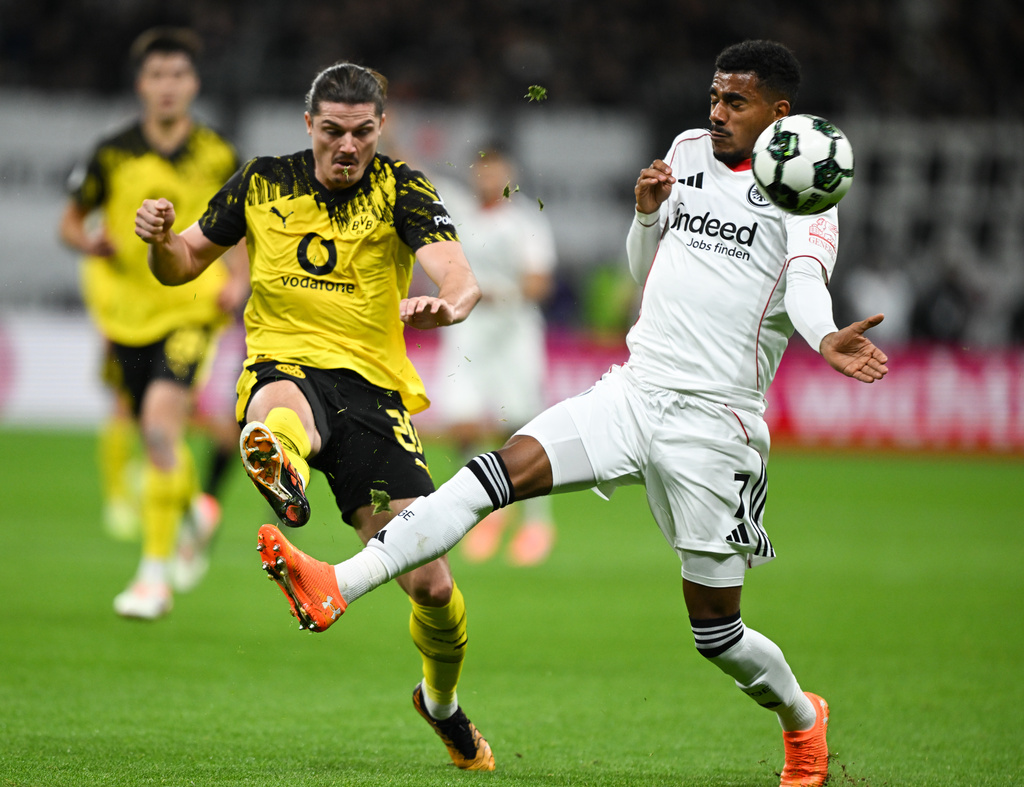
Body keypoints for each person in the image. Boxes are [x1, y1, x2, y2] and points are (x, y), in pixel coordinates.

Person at [241, 41, 891, 786]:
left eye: (734, 102)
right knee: (493, 472)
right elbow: (642, 268)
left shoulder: (808, 191)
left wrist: (824, 335)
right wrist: (647, 217)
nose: (715, 112)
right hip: (637, 389)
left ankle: (802, 718)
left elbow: (806, 283)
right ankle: (338, 583)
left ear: (780, 113)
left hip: (718, 424)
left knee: (718, 634)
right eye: (713, 96)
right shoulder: (687, 151)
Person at [134, 62, 495, 771]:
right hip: (284, 366)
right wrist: (157, 238)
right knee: (276, 409)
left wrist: (447, 304)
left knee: (433, 584)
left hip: (373, 394)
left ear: (380, 128)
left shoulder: (402, 187)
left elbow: (460, 275)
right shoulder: (261, 181)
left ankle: (442, 702)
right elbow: (181, 265)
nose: (347, 147)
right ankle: (283, 469)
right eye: (332, 131)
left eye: (362, 132)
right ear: (309, 125)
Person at [59, 27, 249, 619]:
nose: (168, 87)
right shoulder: (111, 152)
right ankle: (193, 507)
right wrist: (89, 243)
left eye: (179, 76)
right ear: (141, 84)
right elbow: (71, 220)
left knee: (162, 428)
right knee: (150, 429)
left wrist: (238, 280)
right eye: (157, 76)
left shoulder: (219, 153)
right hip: (126, 314)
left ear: (193, 84)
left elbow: (237, 224)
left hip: (191, 309)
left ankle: (153, 577)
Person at [434, 146, 559, 566]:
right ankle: (489, 510)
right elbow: (411, 170)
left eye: (497, 170)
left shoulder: (526, 220)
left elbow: (540, 283)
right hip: (468, 330)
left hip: (513, 329)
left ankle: (538, 522)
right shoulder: (461, 212)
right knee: (461, 420)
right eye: (483, 169)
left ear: (510, 174)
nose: (488, 178)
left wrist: (499, 294)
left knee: (522, 424)